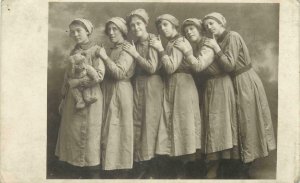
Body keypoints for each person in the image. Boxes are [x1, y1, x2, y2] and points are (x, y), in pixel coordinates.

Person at [203, 12, 276, 178]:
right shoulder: (219, 40)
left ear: (221, 23)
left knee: (247, 122)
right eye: (206, 25)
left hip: (245, 81)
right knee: (239, 123)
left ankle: (246, 166)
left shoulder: (232, 36)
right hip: (234, 82)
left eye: (212, 23)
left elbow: (229, 65)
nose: (209, 27)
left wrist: (215, 48)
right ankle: (239, 165)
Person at [176, 17, 239, 179]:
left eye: (192, 29)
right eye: (186, 30)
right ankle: (213, 166)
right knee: (211, 126)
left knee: (219, 126)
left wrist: (186, 52)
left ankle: (217, 168)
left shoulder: (207, 44)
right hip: (210, 87)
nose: (189, 32)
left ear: (200, 30)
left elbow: (198, 66)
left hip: (220, 86)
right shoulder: (197, 46)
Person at [149, 14, 201, 178]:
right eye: (160, 27)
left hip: (183, 85)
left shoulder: (180, 42)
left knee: (183, 124)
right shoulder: (171, 42)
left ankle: (185, 171)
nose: (162, 29)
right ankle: (176, 170)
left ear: (174, 26)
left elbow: (171, 67)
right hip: (173, 85)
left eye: (165, 25)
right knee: (172, 124)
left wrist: (159, 49)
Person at [55, 18, 105, 179]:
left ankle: (92, 173)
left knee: (91, 137)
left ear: (88, 31)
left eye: (79, 31)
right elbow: (66, 77)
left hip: (92, 98)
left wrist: (79, 81)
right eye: (73, 31)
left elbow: (99, 75)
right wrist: (63, 97)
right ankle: (76, 173)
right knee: (73, 135)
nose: (75, 34)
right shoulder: (73, 52)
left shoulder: (97, 50)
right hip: (73, 99)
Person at [123, 9, 164, 178]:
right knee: (137, 122)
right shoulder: (135, 43)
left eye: (138, 23)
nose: (135, 27)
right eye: (132, 25)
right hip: (138, 84)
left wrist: (134, 54)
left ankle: (150, 167)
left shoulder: (153, 40)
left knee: (150, 124)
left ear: (145, 23)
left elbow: (151, 67)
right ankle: (140, 163)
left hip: (152, 85)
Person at [96, 17, 135, 178]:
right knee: (108, 129)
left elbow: (119, 73)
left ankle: (122, 169)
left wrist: (104, 57)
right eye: (109, 30)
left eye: (115, 29)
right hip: (107, 90)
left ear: (123, 31)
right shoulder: (111, 49)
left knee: (120, 129)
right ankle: (109, 168)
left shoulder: (127, 48)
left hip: (121, 91)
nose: (111, 33)